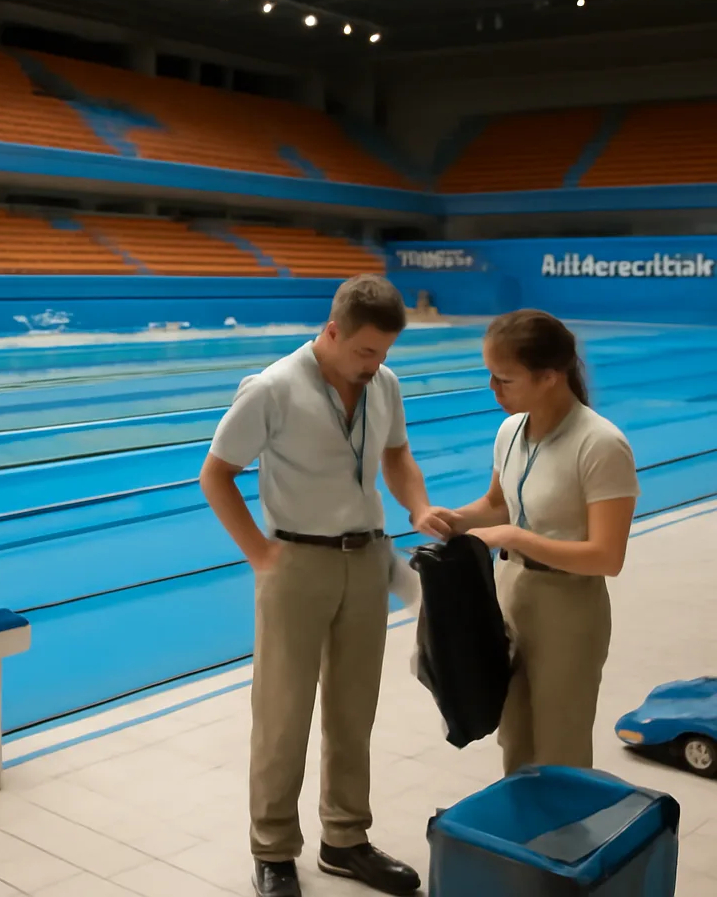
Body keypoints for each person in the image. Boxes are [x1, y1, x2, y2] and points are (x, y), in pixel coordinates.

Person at [199, 274, 456, 897]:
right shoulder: (273, 388)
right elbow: (216, 475)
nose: (376, 364)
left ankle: (345, 839)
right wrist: (261, 555)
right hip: (297, 562)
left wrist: (417, 508)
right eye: (366, 351)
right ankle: (274, 849)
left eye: (386, 353)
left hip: (368, 559)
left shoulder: (384, 385)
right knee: (283, 713)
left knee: (353, 710)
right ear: (333, 331)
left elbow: (397, 456)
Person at [450, 309, 639, 776]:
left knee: (560, 745)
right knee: (514, 736)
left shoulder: (600, 445)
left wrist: (515, 536)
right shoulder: (511, 430)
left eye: (504, 379)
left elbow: (606, 557)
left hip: (569, 607)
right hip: (511, 594)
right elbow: (497, 504)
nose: (493, 389)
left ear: (550, 377)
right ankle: (523, 845)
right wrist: (453, 520)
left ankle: (565, 846)